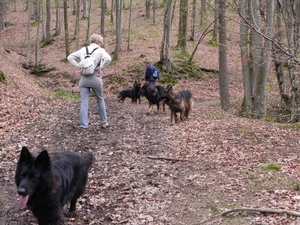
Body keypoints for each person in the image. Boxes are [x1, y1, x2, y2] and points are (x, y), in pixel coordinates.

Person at [67, 34, 111, 129]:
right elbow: (108, 58)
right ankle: (103, 122)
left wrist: (79, 67)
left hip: (84, 79)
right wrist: (101, 68)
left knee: (84, 102)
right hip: (96, 77)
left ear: (91, 40)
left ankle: (83, 124)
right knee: (100, 99)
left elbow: (70, 57)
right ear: (100, 42)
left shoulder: (83, 50)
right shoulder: (100, 50)